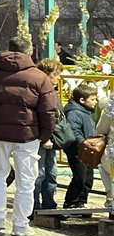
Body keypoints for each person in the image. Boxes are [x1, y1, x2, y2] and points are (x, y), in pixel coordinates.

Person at [0, 37, 57, 236]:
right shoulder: (39, 77)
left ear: (8, 50)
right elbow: (48, 110)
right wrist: (44, 134)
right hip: (28, 135)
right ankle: (20, 224)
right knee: (26, 180)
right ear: (29, 52)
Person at [33, 58, 65, 211]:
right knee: (39, 174)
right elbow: (41, 116)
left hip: (50, 137)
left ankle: (49, 204)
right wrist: (44, 137)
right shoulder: (40, 92)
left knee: (51, 173)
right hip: (41, 138)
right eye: (56, 74)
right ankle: (34, 206)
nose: (58, 78)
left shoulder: (52, 91)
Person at [61, 83, 99, 209]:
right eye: (92, 99)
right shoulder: (74, 112)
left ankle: (80, 201)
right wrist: (83, 143)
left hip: (87, 151)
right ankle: (70, 202)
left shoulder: (86, 111)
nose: (95, 102)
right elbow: (74, 130)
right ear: (82, 100)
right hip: (77, 150)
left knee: (88, 178)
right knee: (79, 177)